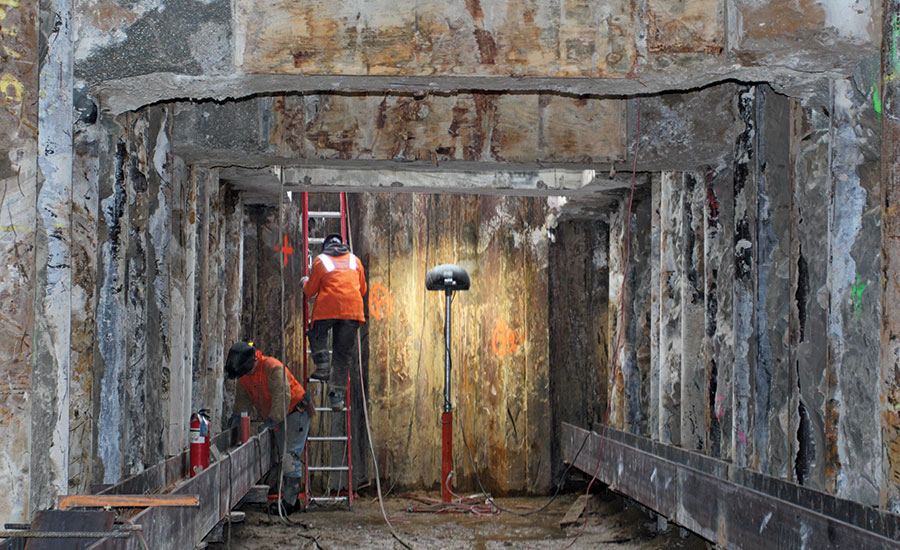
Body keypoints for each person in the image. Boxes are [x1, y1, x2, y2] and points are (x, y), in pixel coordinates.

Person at [226, 341, 315, 513]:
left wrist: (269, 424)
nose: (244, 375)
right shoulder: (244, 377)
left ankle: (290, 503)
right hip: (280, 417)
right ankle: (290, 499)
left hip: (296, 412)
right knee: (284, 456)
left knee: (290, 456)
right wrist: (235, 425)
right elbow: (242, 405)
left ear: (253, 362)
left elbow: (282, 399)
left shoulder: (273, 368)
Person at [300, 233, 367, 411]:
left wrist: (304, 282)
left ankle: (322, 365)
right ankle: (337, 399)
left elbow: (311, 291)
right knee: (342, 355)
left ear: (325, 247)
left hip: (327, 309)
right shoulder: (355, 260)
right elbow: (363, 289)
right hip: (352, 311)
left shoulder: (320, 260)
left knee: (317, 332)